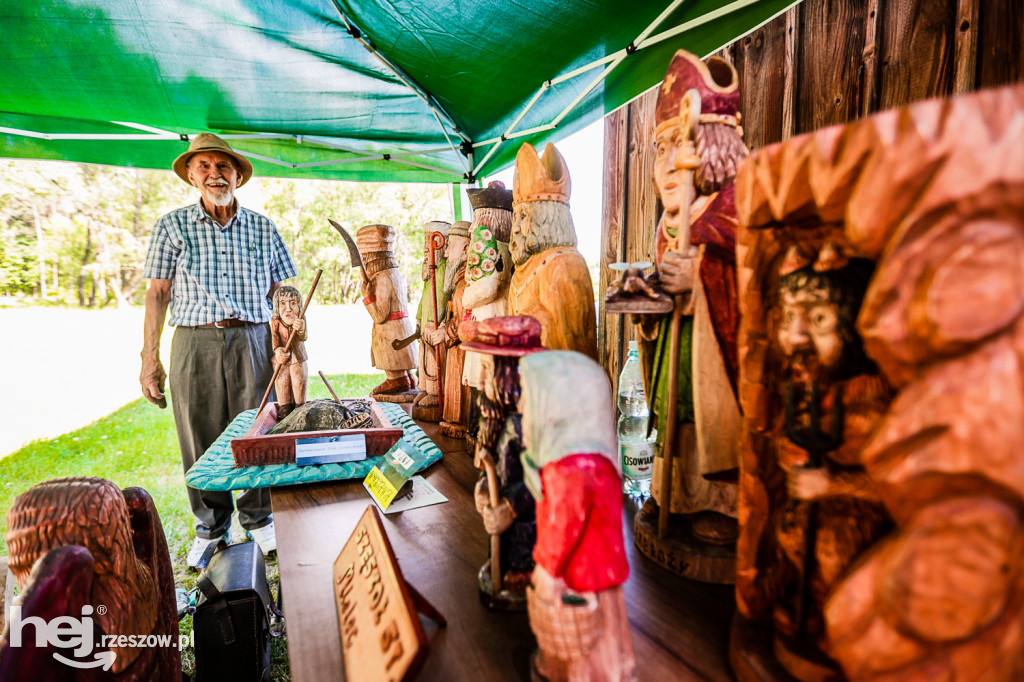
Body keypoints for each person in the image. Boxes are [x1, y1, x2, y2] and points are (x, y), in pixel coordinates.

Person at [139, 133, 296, 569]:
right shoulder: (172, 225)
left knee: (257, 428)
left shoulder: (263, 227)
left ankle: (260, 518)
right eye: (204, 166)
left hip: (252, 338)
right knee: (199, 432)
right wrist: (148, 358)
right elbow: (157, 293)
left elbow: (284, 289)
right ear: (191, 175)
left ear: (237, 176)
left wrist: (292, 338)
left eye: (222, 166)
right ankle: (211, 526)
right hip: (193, 340)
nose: (214, 174)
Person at [270, 285, 308, 419]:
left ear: (299, 306)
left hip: (298, 357)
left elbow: (303, 337)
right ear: (277, 307)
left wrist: (301, 328)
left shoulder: (300, 320)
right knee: (281, 380)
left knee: (298, 380)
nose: (288, 308)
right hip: (282, 359)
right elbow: (275, 340)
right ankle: (284, 409)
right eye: (283, 304)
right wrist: (278, 350)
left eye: (293, 303)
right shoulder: (275, 322)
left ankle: (300, 408)